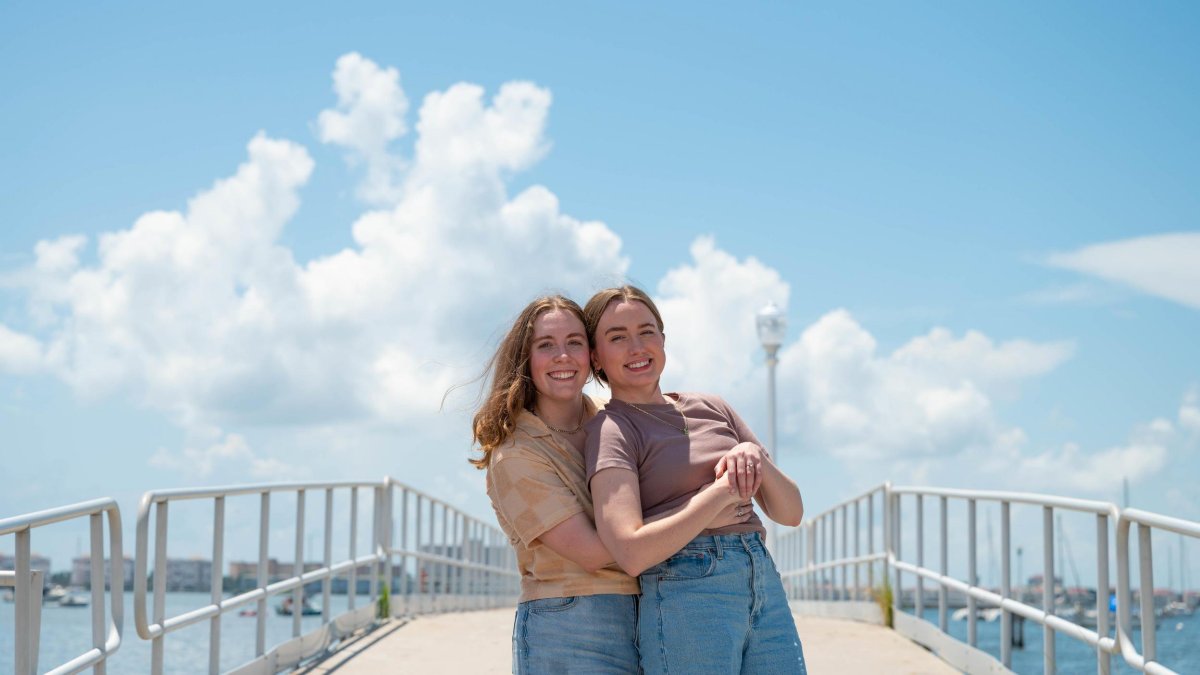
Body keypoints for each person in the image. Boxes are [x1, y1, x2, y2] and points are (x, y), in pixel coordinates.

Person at [471, 294, 752, 674]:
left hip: (646, 606)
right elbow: (594, 551)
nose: (563, 356)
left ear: (593, 356)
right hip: (571, 619)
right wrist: (708, 506)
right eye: (545, 345)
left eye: (575, 342)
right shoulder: (516, 454)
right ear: (525, 360)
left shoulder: (611, 421)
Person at [583, 285, 808, 674]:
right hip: (688, 589)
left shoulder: (712, 407)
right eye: (617, 337)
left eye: (647, 331)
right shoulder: (612, 429)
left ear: (663, 340)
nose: (637, 347)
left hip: (761, 580)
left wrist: (755, 457)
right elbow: (630, 552)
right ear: (595, 358)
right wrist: (721, 495)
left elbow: (791, 512)